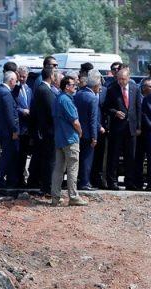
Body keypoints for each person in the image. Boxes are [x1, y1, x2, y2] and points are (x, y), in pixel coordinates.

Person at [51, 75, 87, 206]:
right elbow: (75, 122)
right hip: (69, 138)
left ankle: (55, 197)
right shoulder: (66, 100)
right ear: (67, 86)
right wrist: (80, 132)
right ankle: (73, 196)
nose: (75, 87)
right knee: (72, 167)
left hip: (60, 139)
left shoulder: (57, 99)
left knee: (58, 169)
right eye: (73, 85)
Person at [103, 68, 143, 190]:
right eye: (119, 79)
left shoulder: (135, 88)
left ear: (128, 78)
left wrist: (139, 127)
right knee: (114, 156)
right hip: (117, 129)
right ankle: (112, 182)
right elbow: (106, 107)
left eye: (123, 79)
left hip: (131, 129)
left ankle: (129, 182)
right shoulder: (112, 90)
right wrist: (115, 112)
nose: (121, 81)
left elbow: (138, 108)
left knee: (130, 157)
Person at [31, 66, 59, 192]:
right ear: (51, 76)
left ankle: (46, 185)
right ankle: (48, 186)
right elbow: (51, 111)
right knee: (50, 159)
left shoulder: (41, 89)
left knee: (47, 158)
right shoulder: (45, 90)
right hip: (48, 130)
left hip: (44, 129)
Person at [74, 72, 102, 190]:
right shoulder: (93, 98)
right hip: (88, 133)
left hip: (77, 131)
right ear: (95, 85)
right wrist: (95, 137)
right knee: (87, 158)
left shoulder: (78, 94)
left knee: (79, 158)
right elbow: (93, 119)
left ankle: (80, 180)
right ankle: (85, 182)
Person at [0, 70, 20, 188]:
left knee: (8, 154)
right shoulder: (5, 93)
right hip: (9, 130)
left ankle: (10, 179)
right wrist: (14, 130)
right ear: (11, 81)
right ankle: (0, 179)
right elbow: (10, 114)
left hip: (3, 128)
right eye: (15, 81)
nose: (16, 83)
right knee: (8, 155)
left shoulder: (0, 89)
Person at [14, 66, 34, 187]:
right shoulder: (14, 89)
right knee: (18, 155)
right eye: (20, 76)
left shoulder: (29, 89)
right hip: (19, 126)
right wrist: (22, 111)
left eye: (24, 77)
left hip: (27, 128)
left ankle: (22, 178)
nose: (22, 79)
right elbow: (13, 106)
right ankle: (18, 178)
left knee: (24, 154)